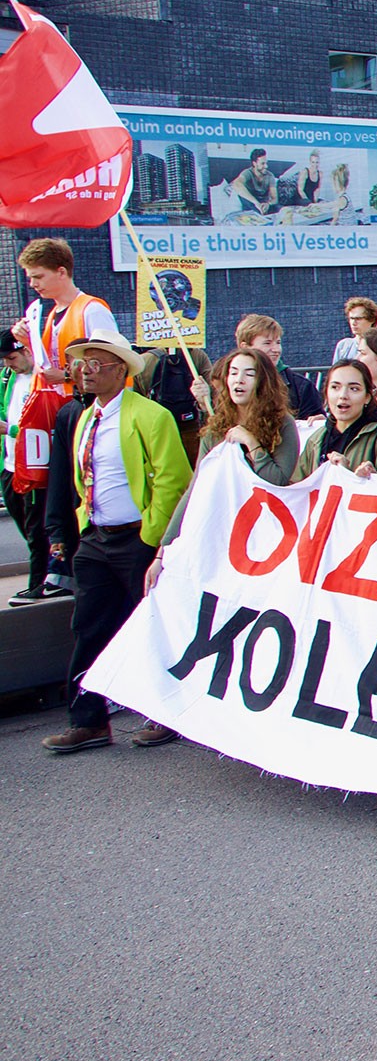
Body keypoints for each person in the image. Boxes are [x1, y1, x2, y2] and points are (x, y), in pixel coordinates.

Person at [39, 332, 191, 754]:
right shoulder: (86, 417)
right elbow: (79, 474)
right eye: (81, 364)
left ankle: (164, 714)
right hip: (96, 537)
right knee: (88, 627)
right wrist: (85, 523)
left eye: (96, 364)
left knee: (149, 627)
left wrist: (150, 537)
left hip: (134, 538)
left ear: (120, 370)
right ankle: (87, 721)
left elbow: (172, 480)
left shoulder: (151, 415)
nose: (84, 371)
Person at [150, 346, 301, 587]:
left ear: (263, 382)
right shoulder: (216, 428)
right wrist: (163, 551)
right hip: (223, 533)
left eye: (249, 374)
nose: (239, 380)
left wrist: (251, 443)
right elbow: (196, 490)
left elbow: (277, 480)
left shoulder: (282, 424)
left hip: (266, 537)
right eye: (233, 372)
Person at [11, 237, 118, 398]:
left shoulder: (92, 310)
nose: (32, 284)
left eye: (38, 277)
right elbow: (49, 365)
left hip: (89, 403)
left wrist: (65, 377)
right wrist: (29, 342)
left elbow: (112, 365)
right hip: (66, 404)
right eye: (30, 278)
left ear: (61, 272)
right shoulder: (53, 314)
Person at [0, 332, 49, 601]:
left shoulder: (40, 379)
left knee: (36, 528)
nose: (9, 364)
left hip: (34, 467)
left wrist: (10, 429)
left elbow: (39, 425)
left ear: (27, 350)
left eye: (12, 357)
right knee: (25, 524)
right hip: (10, 465)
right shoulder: (8, 379)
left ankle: (38, 581)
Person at [291, 360, 377, 482]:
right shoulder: (316, 439)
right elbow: (297, 487)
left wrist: (356, 477)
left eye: (354, 389)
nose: (343, 395)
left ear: (367, 397)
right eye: (335, 387)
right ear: (326, 393)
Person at [234, 313, 324, 420]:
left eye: (278, 342)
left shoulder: (301, 387)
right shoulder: (228, 384)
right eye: (267, 343)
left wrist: (320, 423)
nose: (276, 349)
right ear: (245, 347)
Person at [228, 149, 279, 217]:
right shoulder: (247, 173)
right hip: (251, 203)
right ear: (254, 163)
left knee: (283, 210)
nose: (266, 166)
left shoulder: (270, 176)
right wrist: (256, 203)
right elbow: (236, 184)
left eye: (266, 163)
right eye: (262, 163)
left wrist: (268, 204)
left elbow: (275, 198)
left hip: (264, 204)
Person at [334, 297, 377, 364]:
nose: (353, 323)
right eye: (351, 318)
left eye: (358, 318)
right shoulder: (343, 346)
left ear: (371, 319)